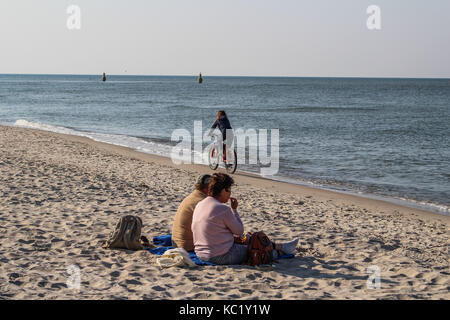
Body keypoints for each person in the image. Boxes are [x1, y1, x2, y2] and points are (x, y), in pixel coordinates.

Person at [191, 173, 299, 265]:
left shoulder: (200, 204)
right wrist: (234, 210)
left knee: (248, 238)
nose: (229, 195)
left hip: (200, 254)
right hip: (220, 256)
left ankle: (280, 246)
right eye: (229, 191)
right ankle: (280, 251)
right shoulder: (222, 209)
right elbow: (239, 231)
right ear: (223, 190)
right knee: (257, 250)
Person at [171, 174, 211, 251]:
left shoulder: (191, 197)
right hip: (187, 247)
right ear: (207, 188)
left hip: (177, 243)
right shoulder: (202, 202)